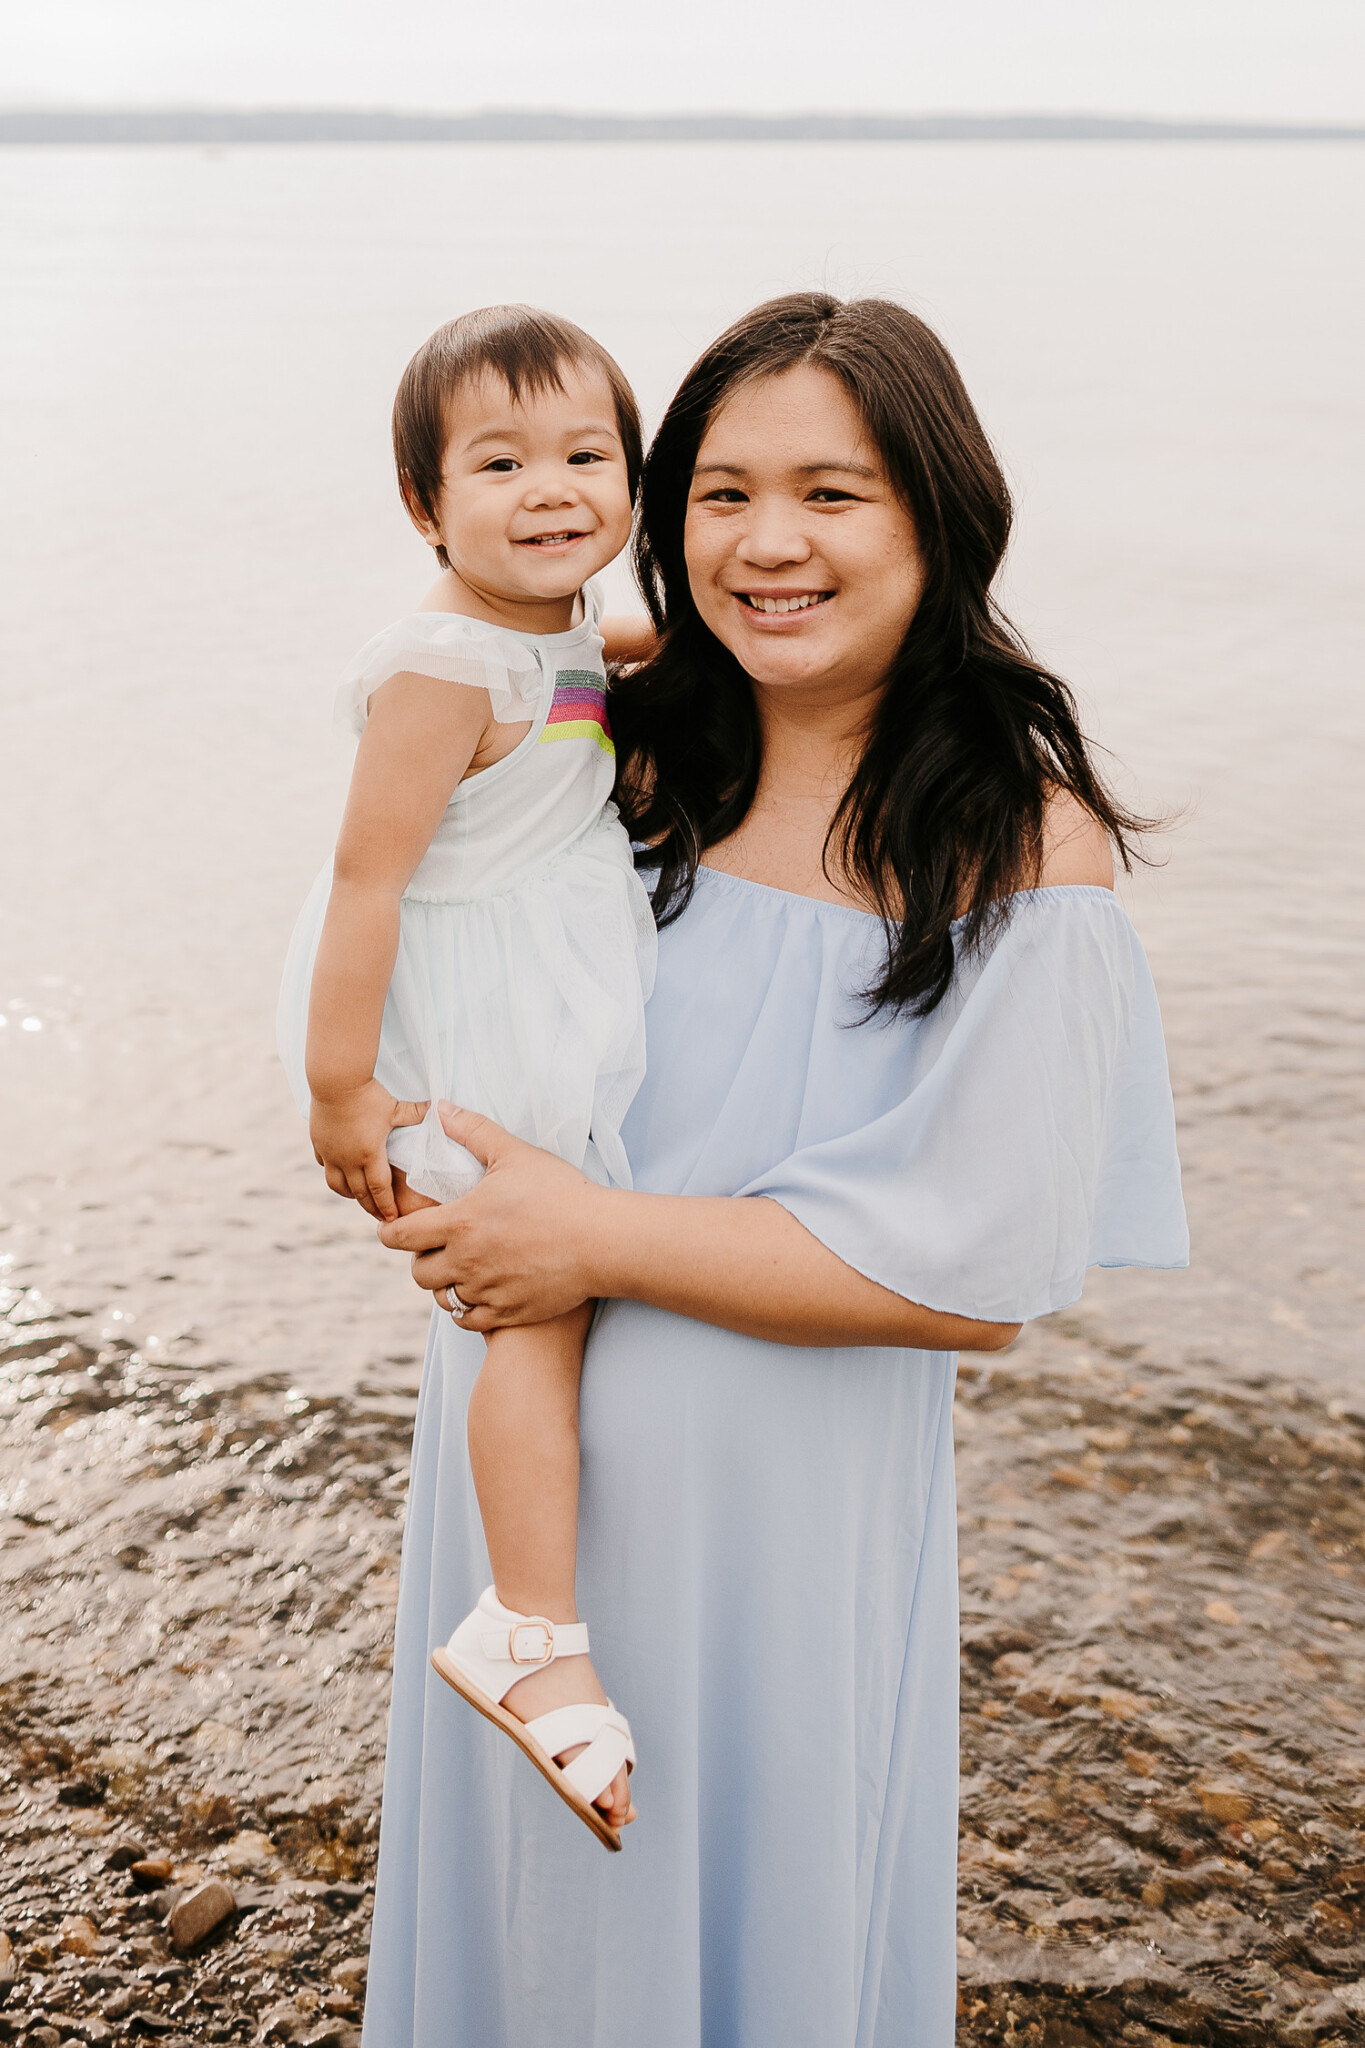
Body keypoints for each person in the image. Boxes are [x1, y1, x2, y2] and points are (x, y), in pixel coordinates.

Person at [363, 292, 1189, 2047]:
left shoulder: (1019, 845)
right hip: (527, 1490)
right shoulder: (628, 747)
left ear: (937, 514)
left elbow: (969, 1282)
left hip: (783, 1523)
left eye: (833, 492)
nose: (770, 543)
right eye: (722, 493)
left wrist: (579, 1229)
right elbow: (420, 914)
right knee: (518, 1930)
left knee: (742, 1924)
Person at [277, 305, 659, 1847]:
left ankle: (538, 1604)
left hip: (546, 988)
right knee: (540, 1307)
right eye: (499, 463)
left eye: (586, 454)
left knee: (566, 1292)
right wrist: (337, 1092)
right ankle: (531, 1625)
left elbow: (592, 666)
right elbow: (365, 880)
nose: (551, 487)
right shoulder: (440, 664)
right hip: (468, 1024)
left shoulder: (553, 619)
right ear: (426, 508)